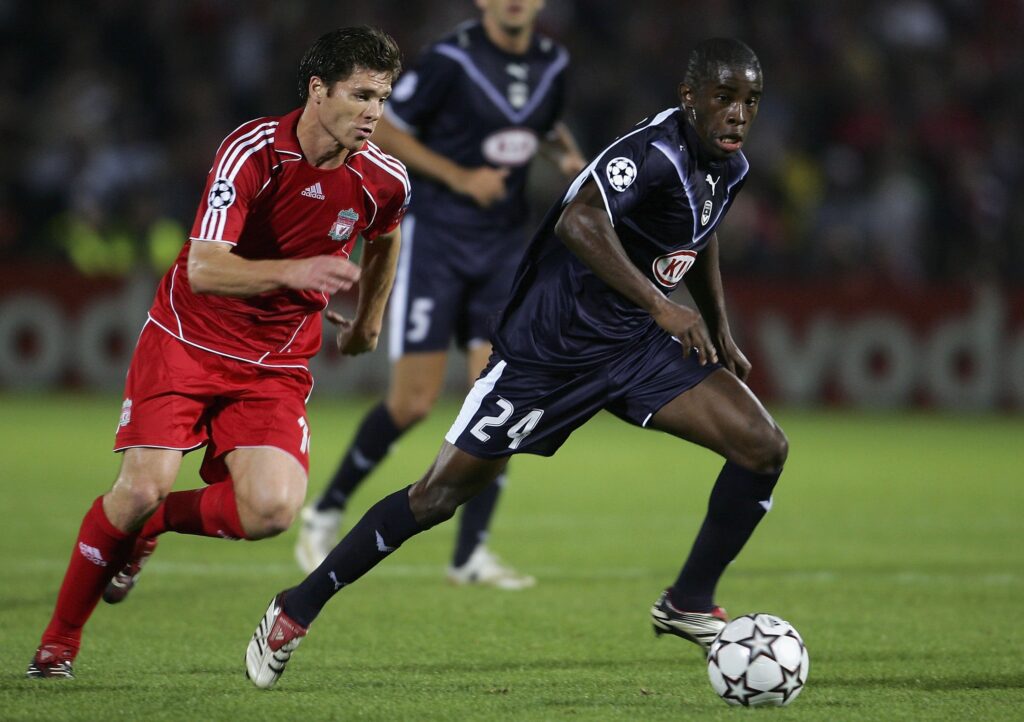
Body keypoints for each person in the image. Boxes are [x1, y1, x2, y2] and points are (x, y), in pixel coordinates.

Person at [246, 37, 787, 690]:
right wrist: (662, 304)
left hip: (633, 346)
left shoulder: (728, 168)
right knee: (437, 495)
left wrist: (720, 332)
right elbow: (578, 223)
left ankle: (688, 601)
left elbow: (700, 239)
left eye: (749, 101)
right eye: (723, 98)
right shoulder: (652, 153)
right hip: (547, 352)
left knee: (763, 447)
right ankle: (295, 608)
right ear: (690, 98)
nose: (736, 113)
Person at [26, 26, 410, 680]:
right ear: (318, 91)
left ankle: (148, 530)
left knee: (272, 512)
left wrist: (368, 323)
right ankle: (60, 641)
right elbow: (205, 268)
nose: (374, 112)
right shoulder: (251, 151)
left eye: (382, 97)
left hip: (276, 367)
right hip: (187, 342)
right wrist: (294, 273)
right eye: (361, 94)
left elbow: (385, 237)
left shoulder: (383, 178)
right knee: (139, 486)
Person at [295, 0, 586, 589]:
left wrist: (568, 155)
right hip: (439, 244)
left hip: (505, 249)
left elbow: (543, 121)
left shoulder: (553, 62)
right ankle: (325, 510)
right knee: (413, 403)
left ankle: (469, 554)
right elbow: (393, 128)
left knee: (505, 400)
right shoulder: (451, 58)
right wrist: (459, 178)